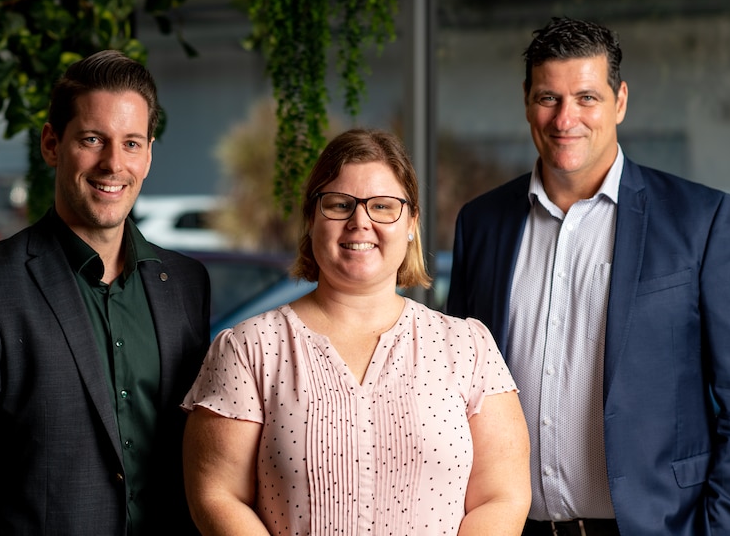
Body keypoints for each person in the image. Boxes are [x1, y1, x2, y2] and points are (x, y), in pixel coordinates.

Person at [447, 16, 730, 536]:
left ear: (619, 101)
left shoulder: (700, 220)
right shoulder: (482, 223)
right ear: (526, 101)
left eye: (586, 98)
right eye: (548, 98)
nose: (565, 119)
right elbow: (457, 398)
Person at [181, 128, 531, 535]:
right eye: (340, 204)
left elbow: (501, 496)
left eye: (383, 206)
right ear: (312, 219)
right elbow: (217, 494)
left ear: (412, 222)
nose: (360, 222)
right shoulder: (249, 349)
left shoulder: (468, 347)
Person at [0, 50, 210, 535]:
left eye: (131, 143)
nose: (113, 163)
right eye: (93, 140)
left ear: (149, 155)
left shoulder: (184, 283)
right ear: (52, 144)